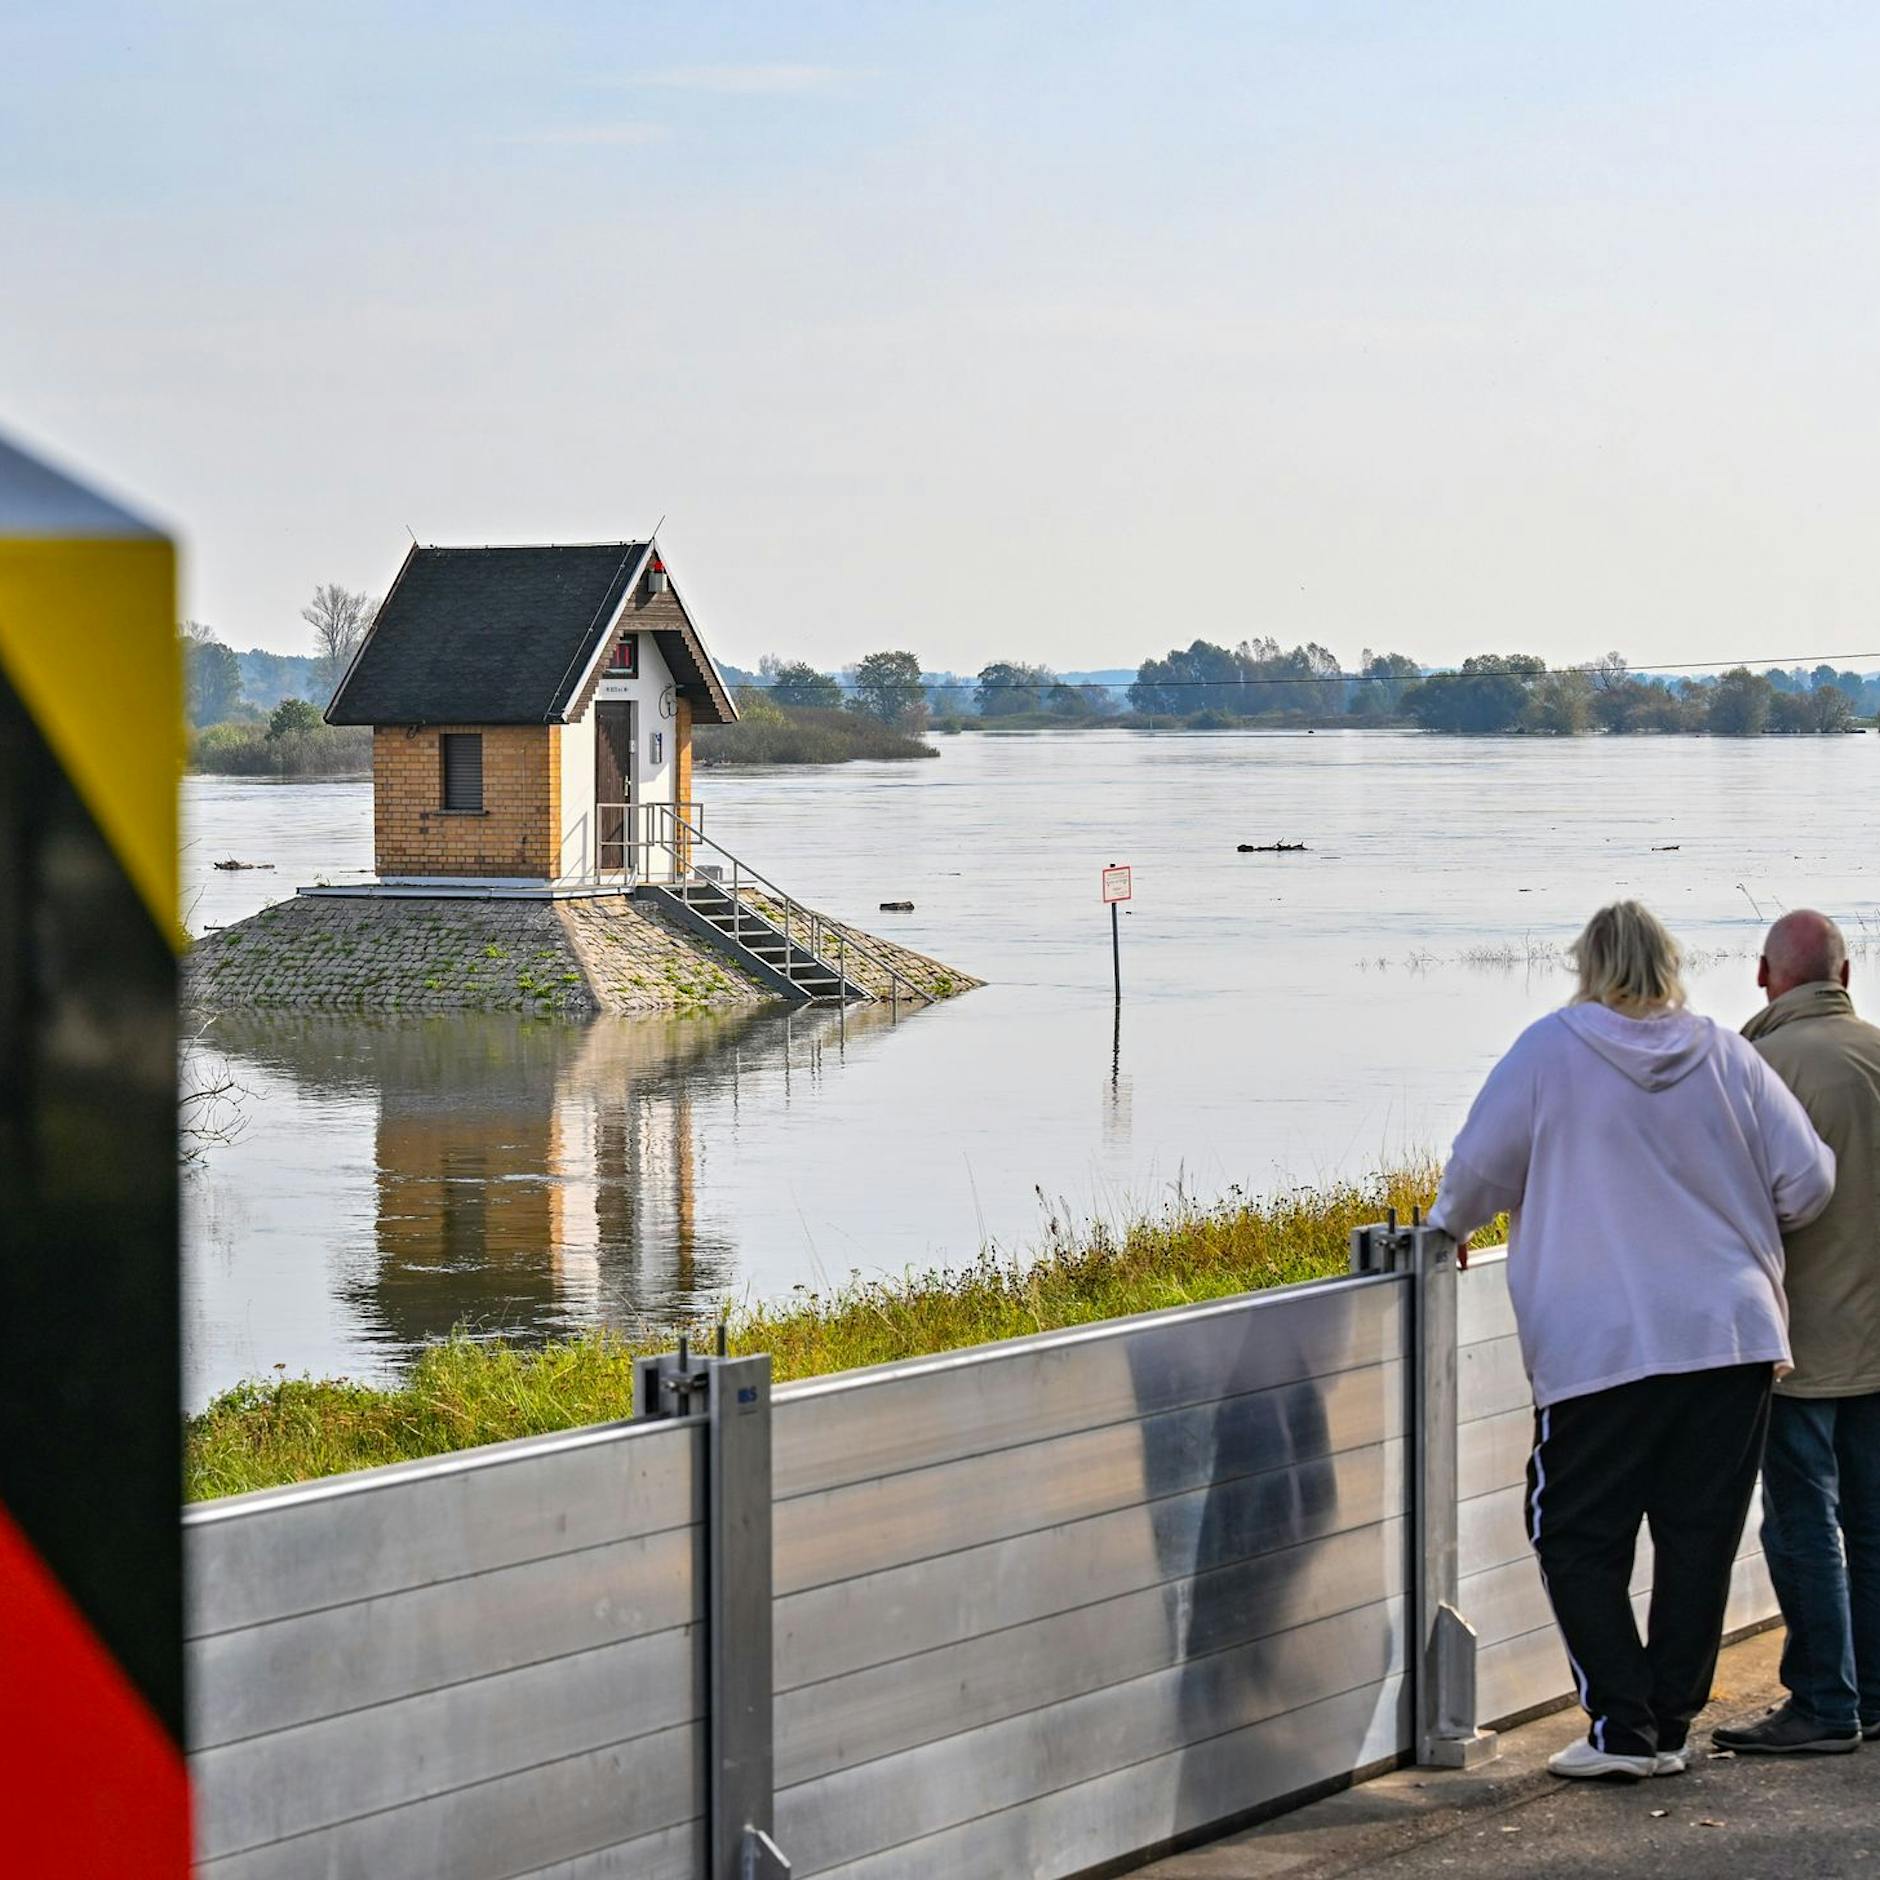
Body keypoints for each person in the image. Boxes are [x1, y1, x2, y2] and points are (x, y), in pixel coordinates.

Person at [1431, 900, 1834, 1782]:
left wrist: (1446, 1226)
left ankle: (1622, 1726)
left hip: (1603, 1342)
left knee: (1574, 1532)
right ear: (1671, 963)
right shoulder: (1729, 1055)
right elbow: (1809, 1181)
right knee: (1698, 1539)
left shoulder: (1551, 1050)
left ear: (1587, 963)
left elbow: (1477, 1169)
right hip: (1729, 1336)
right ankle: (1670, 1726)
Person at [1712, 910, 1880, 1754]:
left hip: (1800, 1348)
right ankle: (1872, 1694)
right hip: (1878, 1348)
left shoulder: (1758, 1068)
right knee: (1874, 1519)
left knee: (1802, 1521)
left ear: (1765, 977)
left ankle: (1823, 1702)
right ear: (1844, 978)